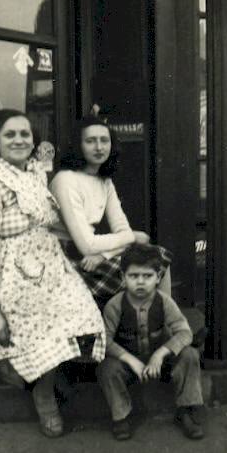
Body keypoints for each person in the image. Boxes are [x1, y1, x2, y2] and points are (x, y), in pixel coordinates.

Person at [0, 109, 106, 438]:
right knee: (35, 335)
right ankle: (44, 397)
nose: (19, 140)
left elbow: (47, 222)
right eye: (9, 134)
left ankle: (40, 382)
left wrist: (91, 244)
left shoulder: (32, 174)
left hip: (48, 266)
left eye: (24, 134)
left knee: (82, 317)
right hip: (11, 276)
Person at [49, 115, 172, 310]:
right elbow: (87, 245)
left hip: (92, 254)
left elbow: (122, 229)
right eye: (90, 141)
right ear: (78, 145)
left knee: (156, 257)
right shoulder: (65, 180)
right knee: (146, 259)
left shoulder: (104, 181)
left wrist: (104, 255)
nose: (99, 147)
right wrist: (133, 237)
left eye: (104, 141)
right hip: (66, 258)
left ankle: (164, 319)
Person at [97, 243, 205, 441]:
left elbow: (184, 333)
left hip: (161, 364)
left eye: (147, 276)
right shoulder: (115, 305)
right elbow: (105, 341)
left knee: (190, 354)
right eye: (133, 276)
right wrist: (130, 360)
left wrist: (160, 354)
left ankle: (186, 410)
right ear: (122, 277)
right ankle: (121, 415)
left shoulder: (164, 302)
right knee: (107, 367)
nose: (140, 282)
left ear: (158, 277)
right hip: (129, 365)